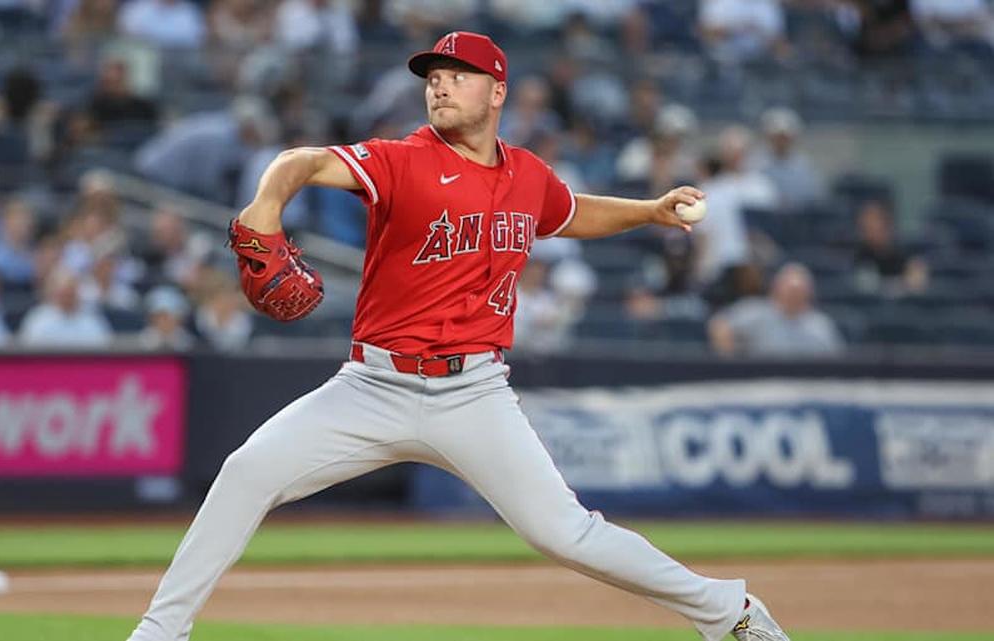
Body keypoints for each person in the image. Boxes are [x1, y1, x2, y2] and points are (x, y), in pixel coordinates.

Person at [127, 31, 790, 641]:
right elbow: (298, 162)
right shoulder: (402, 161)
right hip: (373, 385)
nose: (439, 85)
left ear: (497, 91)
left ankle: (730, 612)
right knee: (247, 471)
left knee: (566, 533)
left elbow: (571, 211)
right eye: (433, 76)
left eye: (457, 74)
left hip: (474, 393)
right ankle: (161, 630)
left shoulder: (527, 175)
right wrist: (266, 205)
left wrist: (648, 210)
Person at [708, 262, 844, 358]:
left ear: (809, 293)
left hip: (805, 387)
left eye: (798, 291)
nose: (793, 295)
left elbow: (835, 358)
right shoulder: (756, 312)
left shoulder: (820, 325)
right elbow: (719, 325)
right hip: (761, 385)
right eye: (790, 290)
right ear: (776, 288)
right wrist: (732, 360)